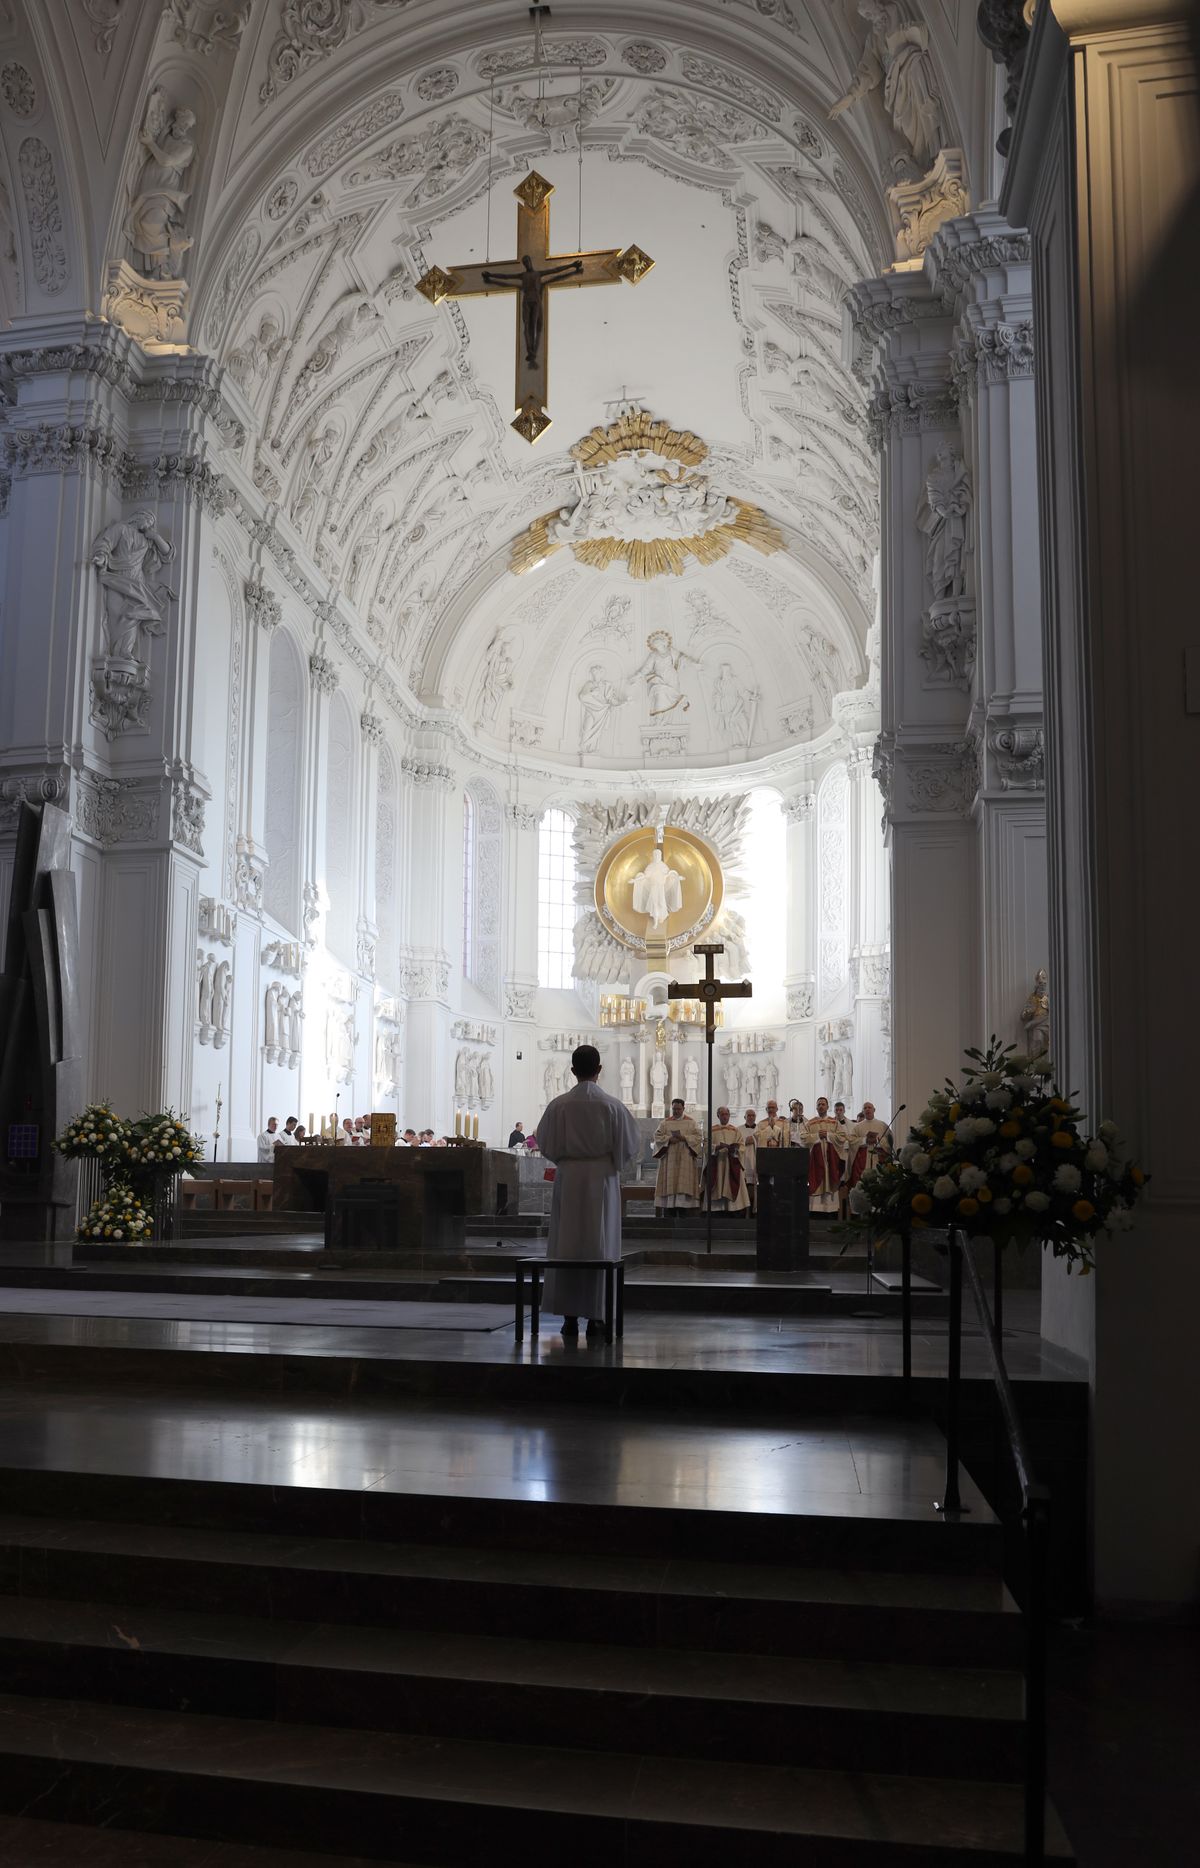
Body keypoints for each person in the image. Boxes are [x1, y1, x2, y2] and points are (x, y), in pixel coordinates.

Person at [536, 1044, 641, 1340]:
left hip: (569, 1178)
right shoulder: (611, 1105)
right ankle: (598, 1316)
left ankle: (568, 1317)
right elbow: (629, 1146)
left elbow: (546, 1143)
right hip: (601, 1178)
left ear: (572, 1071)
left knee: (567, 1245)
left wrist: (566, 1160)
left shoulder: (558, 1105)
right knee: (599, 1244)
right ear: (599, 1070)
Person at [652, 1098, 702, 1215]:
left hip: (686, 1159)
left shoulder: (691, 1122)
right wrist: (669, 1139)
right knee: (670, 1184)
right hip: (669, 1159)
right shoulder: (665, 1123)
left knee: (683, 1184)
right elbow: (657, 1136)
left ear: (683, 1109)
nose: (676, 1111)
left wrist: (685, 1138)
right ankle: (670, 1212)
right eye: (674, 1109)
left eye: (678, 1109)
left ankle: (683, 1212)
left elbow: (699, 1137)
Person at [804, 1096, 846, 1215]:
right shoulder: (810, 1123)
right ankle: (815, 1212)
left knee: (830, 1178)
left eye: (823, 1104)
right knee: (816, 1179)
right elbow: (803, 1138)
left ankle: (830, 1212)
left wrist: (828, 1135)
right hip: (815, 1161)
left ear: (827, 1107)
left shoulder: (834, 1122)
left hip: (830, 1160)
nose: (821, 1106)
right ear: (816, 1107)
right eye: (819, 1104)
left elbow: (842, 1137)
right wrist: (817, 1136)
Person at [707, 1107, 750, 1212]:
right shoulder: (712, 1130)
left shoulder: (735, 1131)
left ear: (729, 1116)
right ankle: (718, 1210)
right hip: (718, 1162)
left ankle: (732, 1210)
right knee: (718, 1185)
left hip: (731, 1163)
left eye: (726, 1114)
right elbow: (707, 1146)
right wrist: (716, 1148)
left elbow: (742, 1146)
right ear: (718, 1116)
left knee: (730, 1185)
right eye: (722, 1114)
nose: (725, 1116)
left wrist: (734, 1149)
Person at [846, 1101, 892, 1189]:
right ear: (863, 1111)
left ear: (874, 1110)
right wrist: (864, 1140)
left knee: (879, 1181)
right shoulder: (858, 1126)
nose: (867, 1109)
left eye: (869, 1107)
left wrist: (878, 1140)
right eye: (865, 1108)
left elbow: (890, 1140)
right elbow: (851, 1140)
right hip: (863, 1157)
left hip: (878, 1156)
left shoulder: (882, 1125)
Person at [741, 1109, 760, 1212]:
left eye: (753, 1115)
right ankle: (744, 1212)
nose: (751, 1117)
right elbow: (737, 1143)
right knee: (744, 1190)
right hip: (744, 1162)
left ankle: (754, 1212)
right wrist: (745, 1141)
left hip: (756, 1161)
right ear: (745, 1117)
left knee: (754, 1190)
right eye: (749, 1115)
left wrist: (755, 1141)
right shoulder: (738, 1129)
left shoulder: (760, 1129)